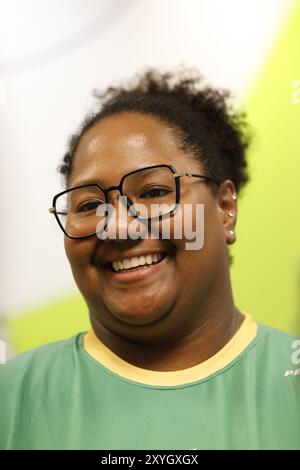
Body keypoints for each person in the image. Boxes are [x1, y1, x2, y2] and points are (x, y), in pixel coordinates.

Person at [0, 68, 299, 450]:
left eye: (155, 192)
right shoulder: (12, 398)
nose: (119, 227)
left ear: (224, 208)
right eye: (89, 204)